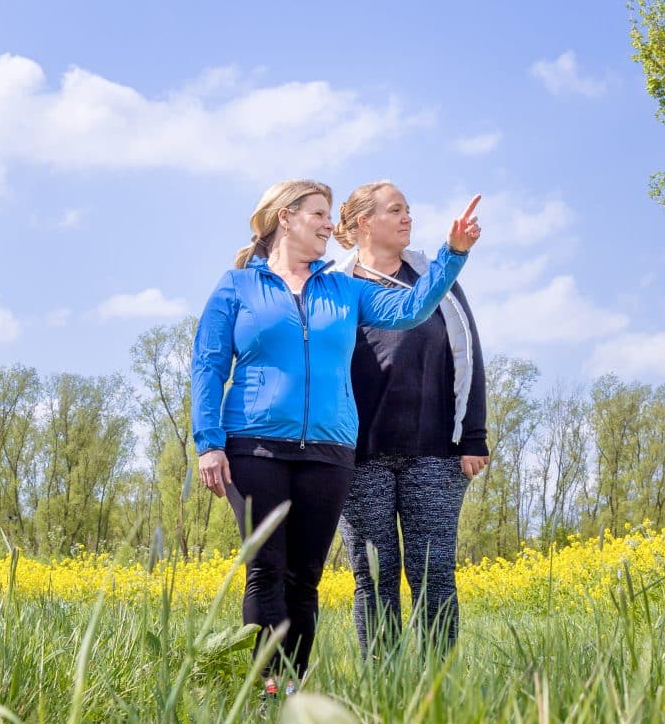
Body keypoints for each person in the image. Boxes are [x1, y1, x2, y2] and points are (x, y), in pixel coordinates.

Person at [191, 179, 483, 681]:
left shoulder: (344, 289)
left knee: (306, 578)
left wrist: (452, 253)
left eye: (331, 215)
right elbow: (209, 364)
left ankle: (295, 685)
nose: (331, 224)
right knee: (266, 570)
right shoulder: (236, 286)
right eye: (320, 214)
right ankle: (269, 688)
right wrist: (209, 443)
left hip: (329, 452)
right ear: (286, 217)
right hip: (255, 446)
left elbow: (410, 309)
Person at [328, 181, 488, 650]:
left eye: (408, 210)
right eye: (395, 210)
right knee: (373, 577)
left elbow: (469, 355)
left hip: (436, 452)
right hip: (359, 455)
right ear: (364, 223)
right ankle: (384, 685)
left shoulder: (434, 279)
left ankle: (436, 690)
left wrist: (473, 436)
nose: (407, 218)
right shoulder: (335, 287)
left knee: (434, 573)